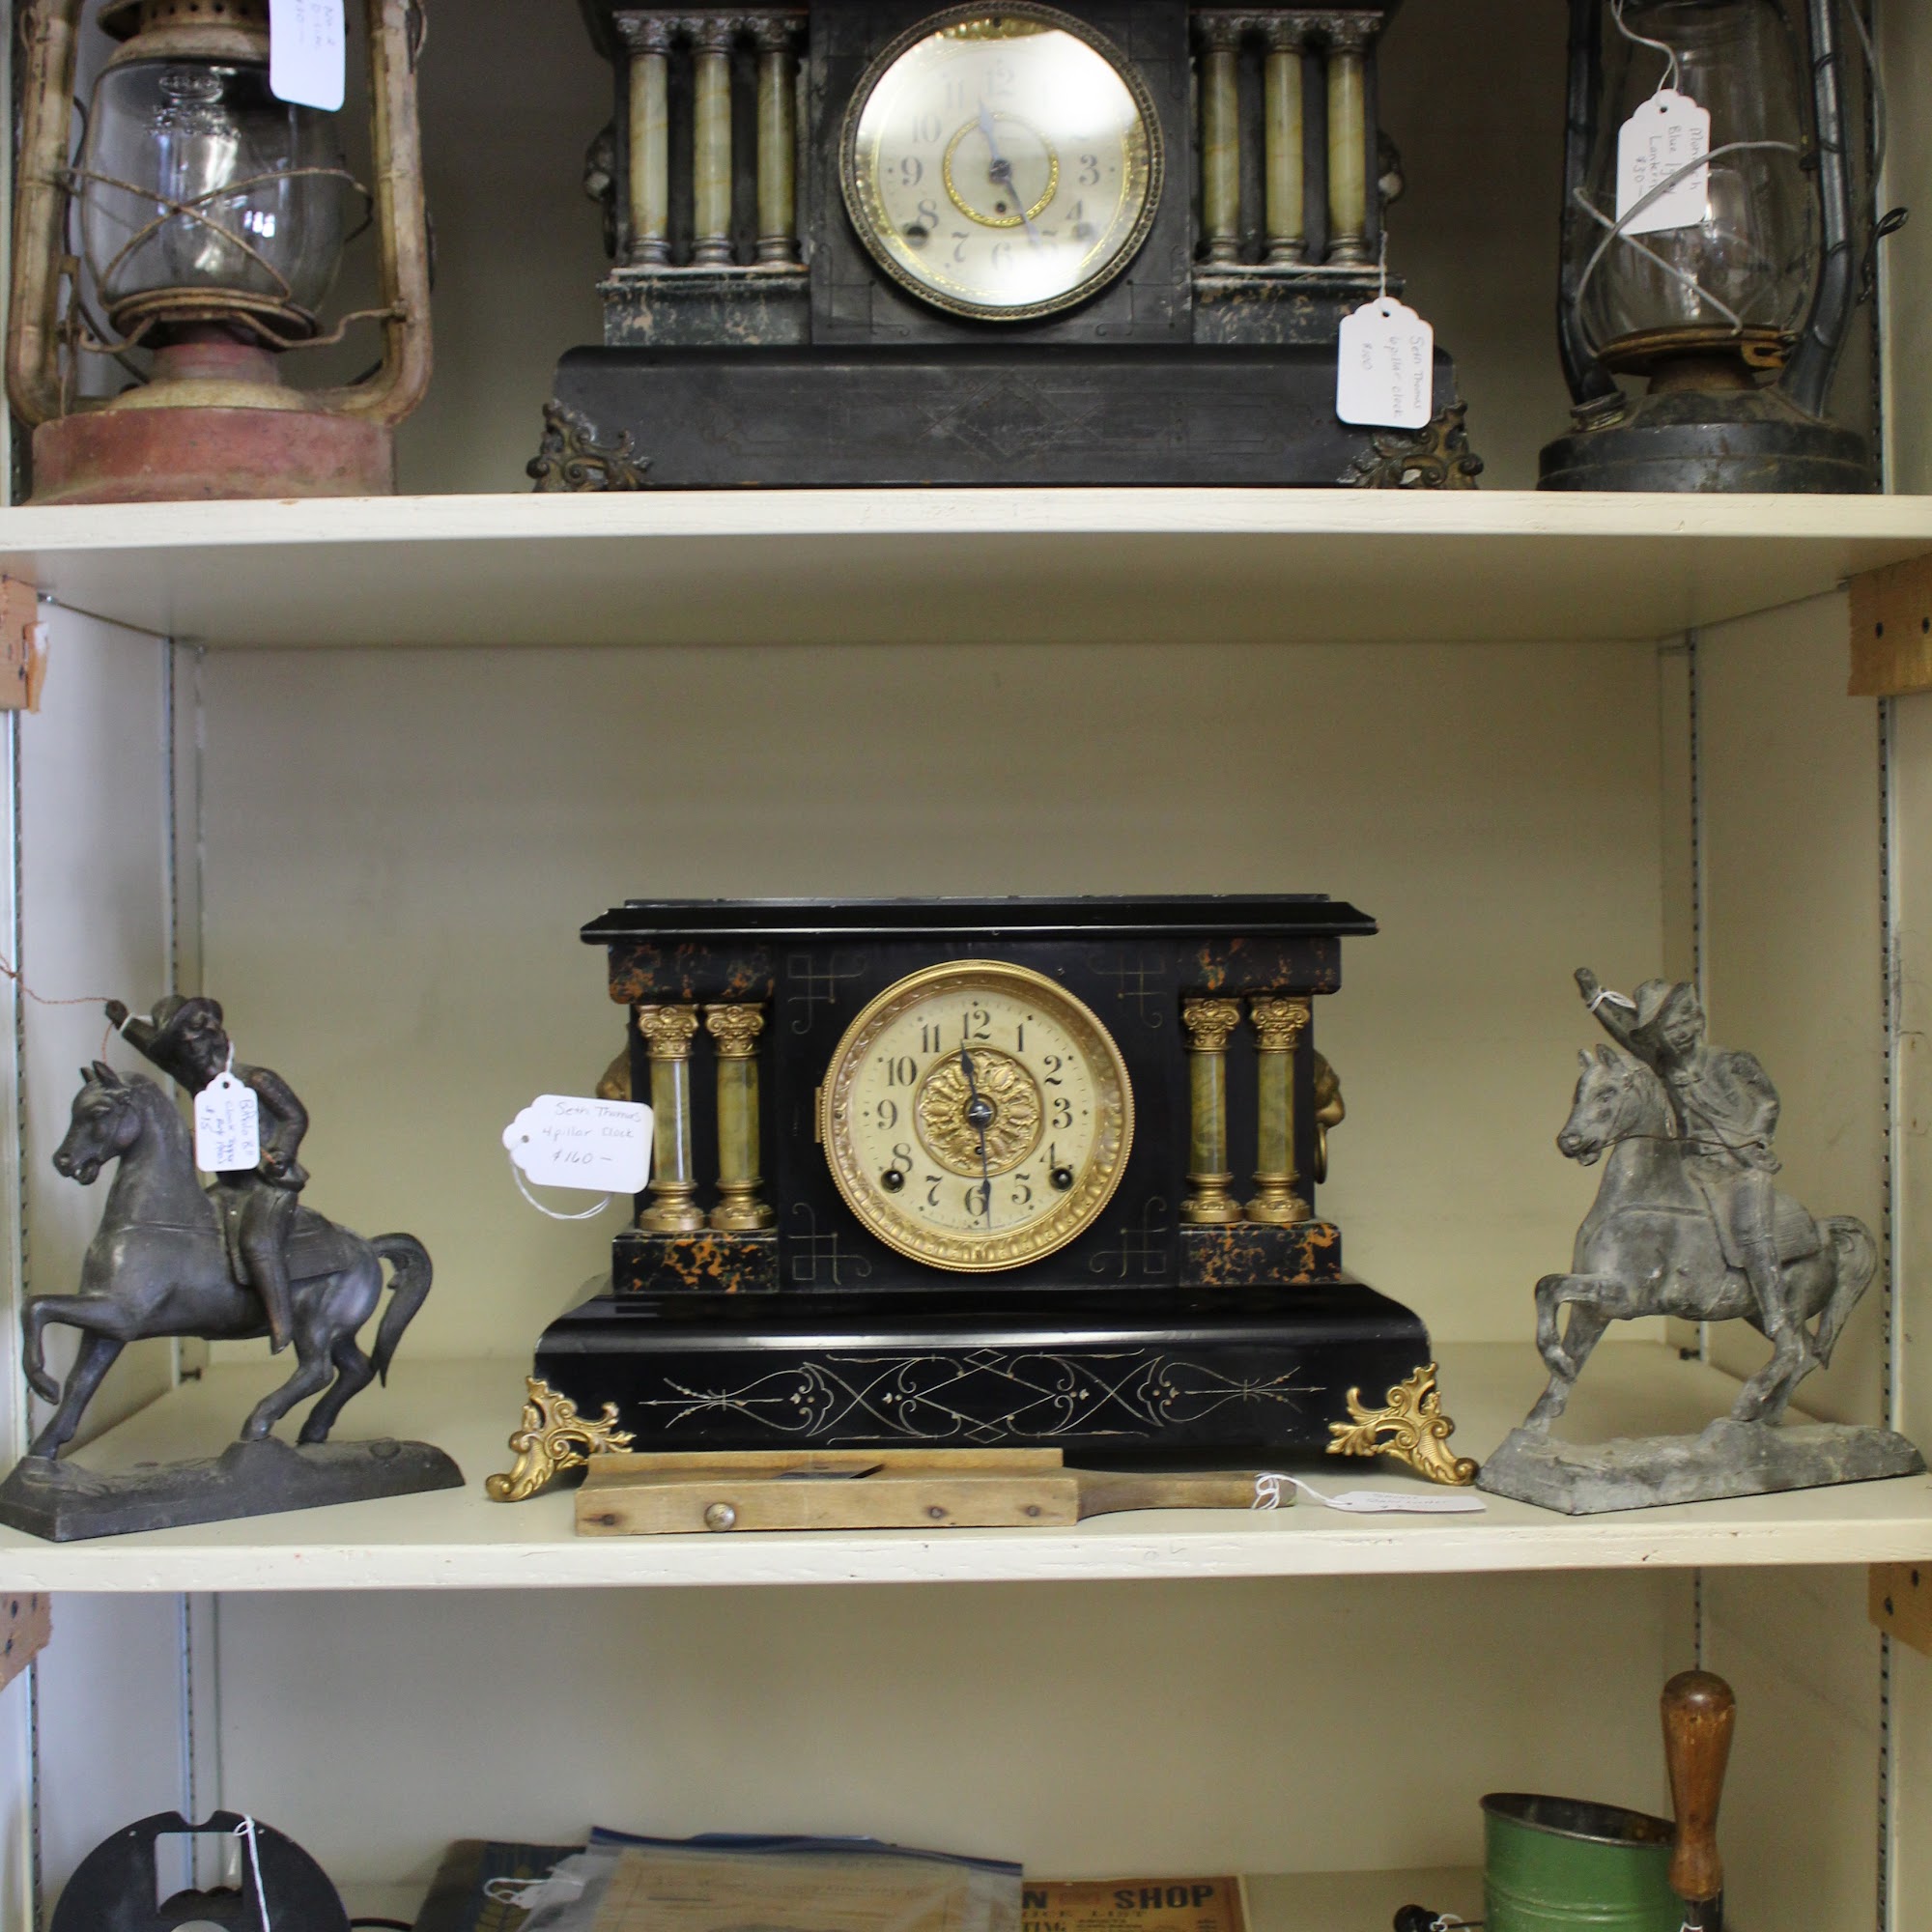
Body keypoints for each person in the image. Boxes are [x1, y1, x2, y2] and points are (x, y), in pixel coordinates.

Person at [1574, 969, 1802, 1368]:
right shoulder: (1665, 1066)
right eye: (1667, 1030)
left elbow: (1768, 1101)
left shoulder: (1731, 1062)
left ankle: (1779, 1322)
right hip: (1692, 1164)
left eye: (1681, 1023)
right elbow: (1628, 1035)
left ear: (1697, 1021)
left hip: (1739, 1167)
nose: (1677, 1034)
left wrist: (1755, 1136)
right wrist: (1597, 1001)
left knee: (1751, 1229)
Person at [105, 994, 306, 1353]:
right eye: (181, 1049)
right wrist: (125, 1024)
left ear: (211, 1036)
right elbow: (159, 1055)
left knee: (257, 1242)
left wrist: (282, 1152)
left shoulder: (257, 1079)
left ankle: (281, 1320)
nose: (187, 1055)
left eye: (191, 1044)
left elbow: (294, 1116)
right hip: (229, 1188)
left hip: (268, 1186)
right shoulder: (200, 1080)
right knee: (187, 1227)